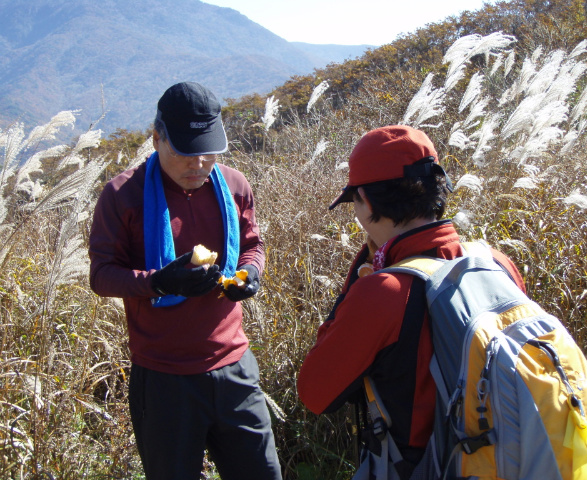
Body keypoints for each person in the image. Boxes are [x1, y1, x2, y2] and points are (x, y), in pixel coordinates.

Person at [297, 125, 526, 479]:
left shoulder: (383, 291)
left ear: (367, 200)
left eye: (354, 202)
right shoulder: (497, 263)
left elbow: (314, 393)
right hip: (502, 461)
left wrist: (360, 282)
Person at [89, 81, 282, 480]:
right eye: (184, 152)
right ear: (156, 137)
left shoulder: (233, 184)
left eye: (208, 152)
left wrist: (251, 274)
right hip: (164, 379)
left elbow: (252, 244)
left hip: (235, 370)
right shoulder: (123, 195)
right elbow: (102, 275)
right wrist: (160, 282)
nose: (198, 165)